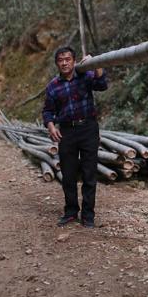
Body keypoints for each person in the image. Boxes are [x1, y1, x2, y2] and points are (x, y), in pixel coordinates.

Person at [42, 46, 108, 228]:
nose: (64, 63)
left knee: (89, 173)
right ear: (57, 63)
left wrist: (97, 65)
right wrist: (50, 125)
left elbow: (102, 85)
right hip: (66, 132)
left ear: (74, 60)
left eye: (68, 59)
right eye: (60, 60)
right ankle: (71, 211)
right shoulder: (53, 86)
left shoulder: (86, 76)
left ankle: (88, 216)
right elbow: (48, 110)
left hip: (88, 128)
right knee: (68, 174)